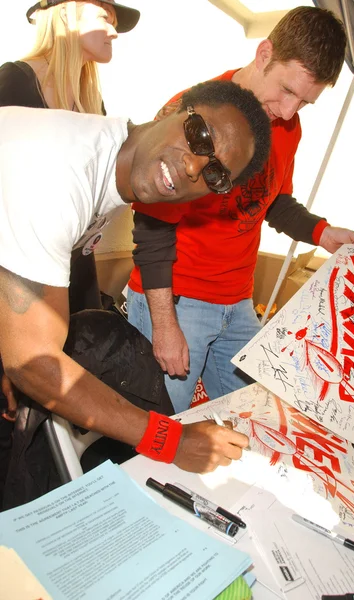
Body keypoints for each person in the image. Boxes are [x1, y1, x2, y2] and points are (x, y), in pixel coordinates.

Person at [0, 79, 271, 477]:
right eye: (200, 135)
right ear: (169, 112)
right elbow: (35, 362)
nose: (194, 167)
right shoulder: (63, 170)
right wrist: (171, 440)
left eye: (215, 174)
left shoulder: (107, 162)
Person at [127, 6, 354, 413]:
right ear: (263, 55)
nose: (290, 111)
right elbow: (151, 223)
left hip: (238, 303)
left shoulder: (288, 127)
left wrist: (322, 233)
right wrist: (165, 325)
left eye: (305, 102)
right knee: (161, 434)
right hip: (177, 298)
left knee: (256, 421)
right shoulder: (192, 111)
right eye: (288, 90)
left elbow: (270, 198)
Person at [0, 0, 140, 503]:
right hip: (14, 286)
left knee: (54, 430)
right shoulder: (11, 83)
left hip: (73, 282)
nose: (116, 30)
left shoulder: (92, 102)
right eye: (105, 15)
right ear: (64, 13)